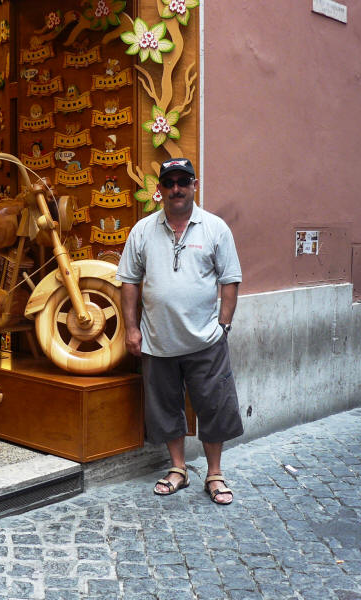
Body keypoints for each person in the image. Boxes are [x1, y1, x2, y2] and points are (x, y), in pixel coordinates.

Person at [116, 157, 243, 505]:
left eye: (182, 182)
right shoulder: (142, 230)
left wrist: (224, 325)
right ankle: (178, 469)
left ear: (194, 186)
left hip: (205, 340)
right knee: (166, 407)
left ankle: (215, 473)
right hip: (157, 340)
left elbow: (230, 279)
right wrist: (131, 328)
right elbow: (128, 282)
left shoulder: (215, 228)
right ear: (159, 189)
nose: (176, 189)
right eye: (169, 182)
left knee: (214, 405)